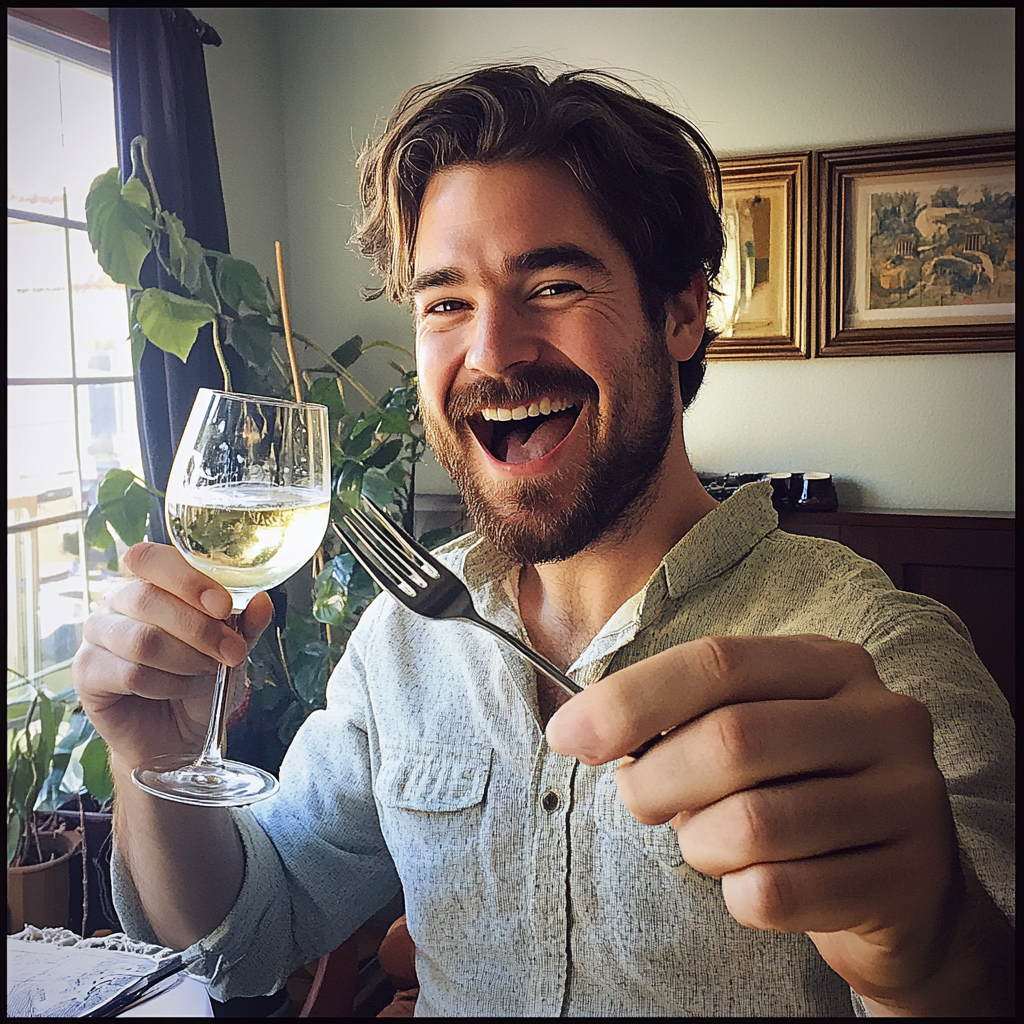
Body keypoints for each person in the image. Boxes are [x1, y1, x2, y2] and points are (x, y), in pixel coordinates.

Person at [72, 64, 1013, 1017]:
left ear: (683, 312)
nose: (490, 351)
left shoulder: (879, 656)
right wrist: (148, 760)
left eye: (554, 283)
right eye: (446, 302)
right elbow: (248, 936)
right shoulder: (405, 636)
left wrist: (932, 952)